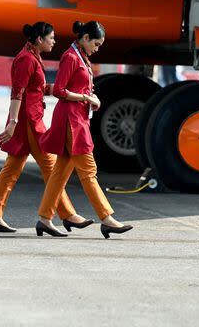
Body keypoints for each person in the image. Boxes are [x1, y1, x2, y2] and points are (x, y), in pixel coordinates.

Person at [0, 22, 92, 233]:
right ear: (40, 39)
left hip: (29, 119)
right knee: (52, 168)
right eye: (51, 38)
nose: (54, 41)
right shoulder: (26, 59)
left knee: (12, 169)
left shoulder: (31, 56)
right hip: (29, 122)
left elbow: (37, 88)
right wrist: (13, 122)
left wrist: (60, 89)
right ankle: (65, 215)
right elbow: (18, 92)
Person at [36, 20, 133, 239]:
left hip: (75, 118)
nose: (97, 48)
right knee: (88, 171)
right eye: (96, 44)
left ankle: (44, 218)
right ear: (86, 38)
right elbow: (60, 90)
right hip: (72, 121)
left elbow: (78, 87)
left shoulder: (81, 57)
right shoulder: (71, 57)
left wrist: (91, 97)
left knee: (59, 174)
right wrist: (85, 97)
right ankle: (106, 218)